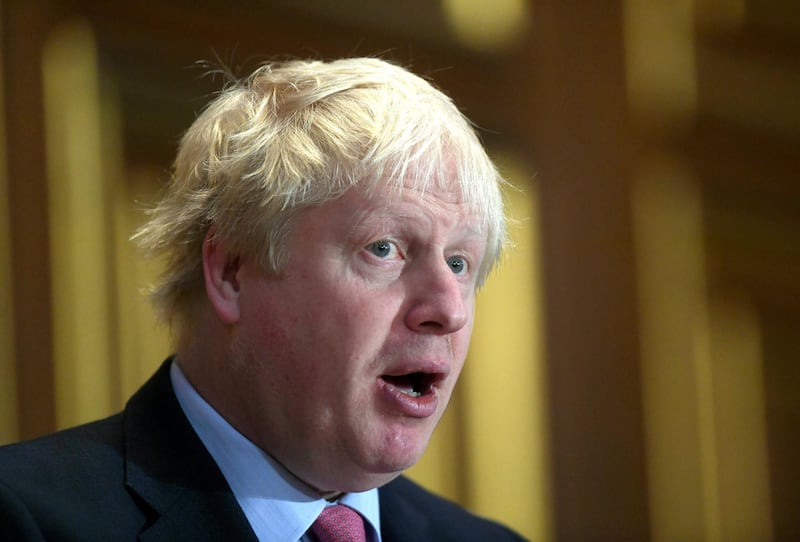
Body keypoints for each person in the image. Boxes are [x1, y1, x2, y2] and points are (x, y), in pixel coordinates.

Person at [0, 57, 525, 541]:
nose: (448, 310)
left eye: (459, 263)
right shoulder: (26, 519)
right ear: (232, 271)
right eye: (383, 249)